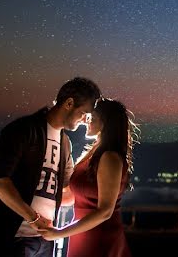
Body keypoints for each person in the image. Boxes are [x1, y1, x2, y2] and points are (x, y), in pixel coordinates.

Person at [0, 77, 102, 257]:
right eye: (84, 113)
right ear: (69, 103)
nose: (84, 120)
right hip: (11, 238)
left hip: (44, 241)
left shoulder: (65, 143)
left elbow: (67, 191)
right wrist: (33, 219)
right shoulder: (23, 129)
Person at [39, 98, 139, 257]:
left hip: (99, 237)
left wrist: (59, 233)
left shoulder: (109, 157)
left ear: (105, 123)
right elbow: (77, 195)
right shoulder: (94, 152)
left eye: (92, 118)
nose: (86, 121)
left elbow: (105, 211)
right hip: (82, 234)